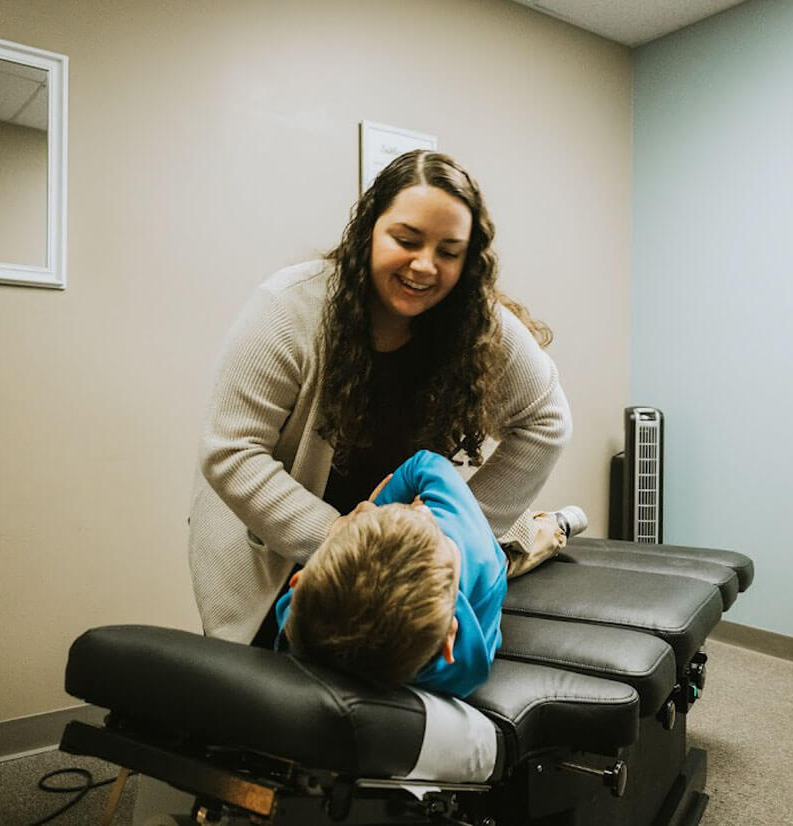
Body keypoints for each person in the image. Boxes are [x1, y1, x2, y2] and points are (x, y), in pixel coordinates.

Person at [188, 149, 573, 647]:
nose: (424, 265)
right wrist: (338, 538)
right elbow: (230, 452)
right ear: (369, 230)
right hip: (276, 556)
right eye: (406, 240)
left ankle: (545, 531)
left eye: (449, 252)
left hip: (397, 560)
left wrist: (452, 535)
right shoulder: (288, 310)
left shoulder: (476, 322)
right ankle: (541, 531)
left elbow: (547, 420)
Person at [276, 450, 586, 697]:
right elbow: (426, 463)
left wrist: (368, 518)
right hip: (489, 558)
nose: (424, 510)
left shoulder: (298, 621)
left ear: (298, 583)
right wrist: (384, 506)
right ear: (451, 636)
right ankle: (557, 526)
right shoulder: (469, 658)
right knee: (518, 544)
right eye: (429, 522)